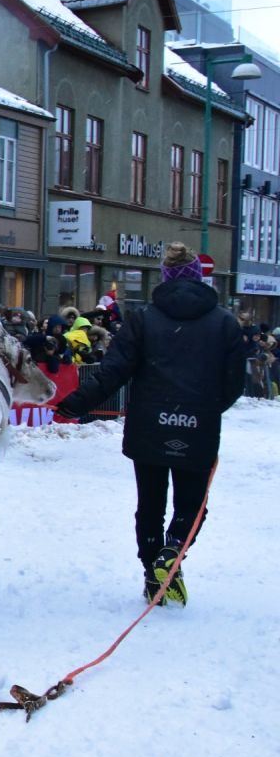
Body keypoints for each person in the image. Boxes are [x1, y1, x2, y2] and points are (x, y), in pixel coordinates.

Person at [56, 243, 245, 605]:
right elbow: (234, 382)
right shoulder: (224, 322)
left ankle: (152, 573)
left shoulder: (143, 318)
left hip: (149, 423)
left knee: (150, 504)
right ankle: (173, 550)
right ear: (198, 277)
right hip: (198, 424)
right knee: (192, 503)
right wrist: (207, 408)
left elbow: (113, 372)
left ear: (165, 278)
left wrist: (74, 403)